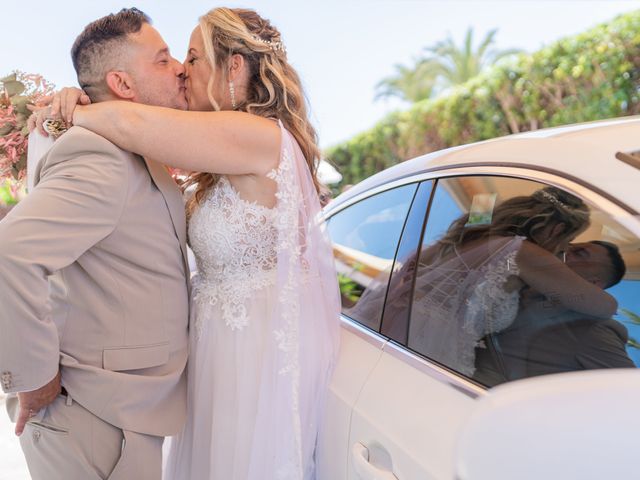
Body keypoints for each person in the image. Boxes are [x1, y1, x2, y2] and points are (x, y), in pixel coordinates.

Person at [48, 7, 341, 479]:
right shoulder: (222, 151)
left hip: (254, 350)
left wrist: (78, 106)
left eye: (193, 57)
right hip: (219, 348)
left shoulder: (257, 134)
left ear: (234, 67)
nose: (183, 70)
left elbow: (134, 127)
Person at [0, 8, 190, 480]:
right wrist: (36, 380)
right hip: (92, 418)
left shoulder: (136, 146)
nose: (181, 67)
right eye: (163, 60)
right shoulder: (101, 156)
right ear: (123, 84)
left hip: (122, 414)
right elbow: (11, 253)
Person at [406, 187, 618, 376]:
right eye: (569, 240)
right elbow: (606, 305)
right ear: (558, 230)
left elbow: (413, 272)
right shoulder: (524, 253)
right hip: (435, 364)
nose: (564, 249)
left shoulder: (472, 233)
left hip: (409, 345)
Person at [475, 240, 634, 384]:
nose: (563, 251)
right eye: (569, 246)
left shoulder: (591, 329)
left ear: (592, 284)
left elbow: (629, 390)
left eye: (579, 254)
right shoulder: (509, 281)